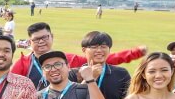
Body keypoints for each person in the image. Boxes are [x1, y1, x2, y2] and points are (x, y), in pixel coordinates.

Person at [15, 23, 145, 90]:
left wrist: (135, 53)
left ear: (52, 37)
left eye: (45, 37)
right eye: (36, 39)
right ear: (29, 41)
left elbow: (101, 59)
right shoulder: (23, 64)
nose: (41, 41)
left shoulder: (69, 59)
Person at [70, 31, 131, 99]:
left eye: (103, 46)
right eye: (94, 47)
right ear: (84, 50)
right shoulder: (73, 74)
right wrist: (90, 79)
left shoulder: (121, 74)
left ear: (109, 50)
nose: (99, 50)